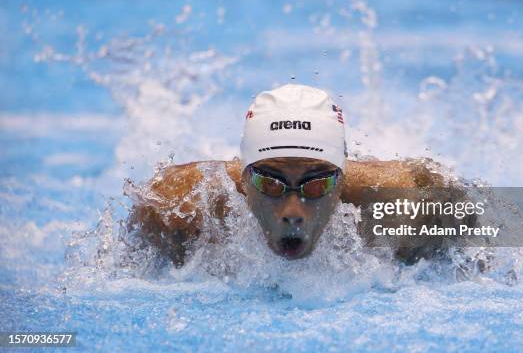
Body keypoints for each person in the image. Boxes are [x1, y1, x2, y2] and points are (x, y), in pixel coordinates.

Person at [128, 84, 471, 266]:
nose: (293, 211)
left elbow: (492, 240)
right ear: (244, 179)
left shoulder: (403, 201)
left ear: (342, 180)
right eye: (270, 183)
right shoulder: (179, 206)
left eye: (318, 183)